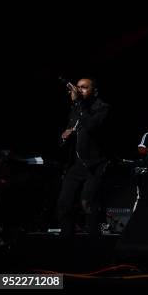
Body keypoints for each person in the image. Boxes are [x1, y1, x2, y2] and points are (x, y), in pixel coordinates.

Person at [57, 77, 110, 239]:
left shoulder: (103, 108)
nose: (79, 90)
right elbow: (67, 134)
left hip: (95, 164)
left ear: (94, 91)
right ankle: (67, 241)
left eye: (84, 87)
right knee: (64, 203)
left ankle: (94, 241)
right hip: (76, 164)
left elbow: (91, 126)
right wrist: (65, 137)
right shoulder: (76, 109)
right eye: (78, 87)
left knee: (87, 203)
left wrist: (77, 103)